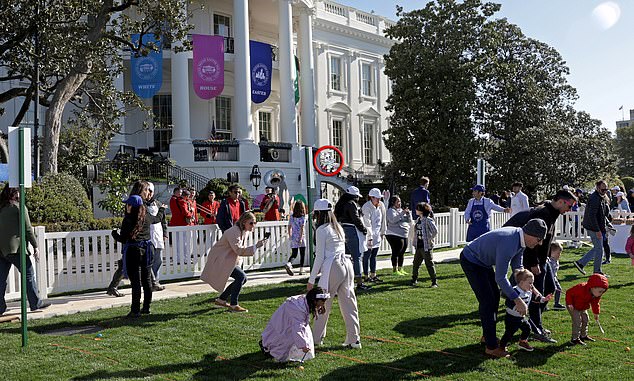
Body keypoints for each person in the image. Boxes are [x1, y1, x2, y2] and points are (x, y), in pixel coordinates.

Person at [460, 218, 547, 358]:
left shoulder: (521, 241)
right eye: (539, 239)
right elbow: (500, 277)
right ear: (530, 234)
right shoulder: (509, 242)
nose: (540, 243)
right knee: (488, 301)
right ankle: (491, 347)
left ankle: (488, 337)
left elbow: (518, 270)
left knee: (494, 297)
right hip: (472, 260)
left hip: (483, 263)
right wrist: (517, 300)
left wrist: (531, 287)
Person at [503, 189, 578, 343]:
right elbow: (531, 240)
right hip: (533, 259)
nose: (569, 210)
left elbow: (544, 241)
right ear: (561, 202)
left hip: (543, 259)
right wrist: (533, 263)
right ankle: (536, 328)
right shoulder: (543, 213)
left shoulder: (552, 213)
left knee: (550, 288)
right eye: (569, 206)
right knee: (537, 294)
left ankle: (526, 315)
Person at [308, 198, 361, 349]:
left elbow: (319, 257)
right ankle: (354, 339)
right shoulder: (337, 227)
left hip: (334, 266)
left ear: (318, 214)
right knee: (349, 303)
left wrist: (311, 280)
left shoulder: (321, 230)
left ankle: (316, 338)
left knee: (322, 302)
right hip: (346, 265)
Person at [200, 212, 267, 313]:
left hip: (228, 259)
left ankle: (221, 300)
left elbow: (239, 250)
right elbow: (239, 250)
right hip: (221, 259)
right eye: (251, 223)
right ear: (244, 222)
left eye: (255, 223)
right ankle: (234, 305)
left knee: (242, 279)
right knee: (242, 277)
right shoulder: (233, 231)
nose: (253, 226)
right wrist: (256, 246)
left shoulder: (244, 230)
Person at [111, 195, 166, 318]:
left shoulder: (128, 219)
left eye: (127, 204)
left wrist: (114, 234)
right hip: (147, 249)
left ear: (131, 206)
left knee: (136, 282)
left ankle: (135, 310)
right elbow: (157, 218)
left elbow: (123, 239)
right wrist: (162, 209)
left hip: (133, 250)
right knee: (147, 280)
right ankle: (146, 307)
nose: (126, 206)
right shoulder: (146, 216)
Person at [0, 185, 51, 316]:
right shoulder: (19, 207)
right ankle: (35, 303)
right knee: (28, 274)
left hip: (1, 249)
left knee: (1, 279)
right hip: (16, 249)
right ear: (15, 193)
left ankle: (0, 307)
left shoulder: (1, 208)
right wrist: (35, 246)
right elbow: (28, 229)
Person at [107, 180, 154, 297]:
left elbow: (129, 231)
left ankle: (137, 307)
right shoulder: (137, 205)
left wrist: (116, 234)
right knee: (135, 272)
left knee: (139, 274)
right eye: (147, 190)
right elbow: (132, 227)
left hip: (136, 245)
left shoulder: (140, 207)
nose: (149, 192)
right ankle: (113, 287)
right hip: (136, 244)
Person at [260, 287, 330, 363]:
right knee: (285, 337)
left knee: (302, 336)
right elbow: (297, 329)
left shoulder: (304, 302)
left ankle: (272, 348)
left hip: (288, 322)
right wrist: (303, 345)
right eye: (322, 302)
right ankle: (269, 349)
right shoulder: (298, 309)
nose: (323, 304)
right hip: (284, 323)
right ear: (314, 300)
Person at [500, 269, 552, 352]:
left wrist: (544, 299)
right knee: (509, 333)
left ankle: (523, 342)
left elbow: (536, 298)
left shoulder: (528, 291)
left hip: (522, 317)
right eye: (530, 283)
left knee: (527, 328)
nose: (532, 285)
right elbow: (508, 303)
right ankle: (502, 346)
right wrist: (517, 308)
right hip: (512, 317)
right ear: (521, 282)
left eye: (532, 283)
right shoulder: (514, 291)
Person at [334, 186, 370, 291]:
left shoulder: (340, 204)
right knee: (357, 256)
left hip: (342, 229)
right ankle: (359, 282)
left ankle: (346, 280)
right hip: (352, 229)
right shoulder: (351, 204)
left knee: (346, 256)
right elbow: (356, 218)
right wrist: (363, 229)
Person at [574, 180, 612, 276]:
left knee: (598, 248)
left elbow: (602, 215)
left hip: (595, 226)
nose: (605, 191)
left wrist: (607, 224)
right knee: (599, 249)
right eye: (603, 189)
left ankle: (581, 263)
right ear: (598, 188)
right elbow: (592, 216)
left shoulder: (600, 197)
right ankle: (596, 271)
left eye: (606, 189)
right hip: (593, 227)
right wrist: (597, 230)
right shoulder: (595, 198)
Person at [566, 273, 609, 345]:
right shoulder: (580, 288)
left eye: (603, 292)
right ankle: (575, 339)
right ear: (593, 287)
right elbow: (569, 293)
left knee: (585, 319)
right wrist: (569, 303)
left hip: (583, 307)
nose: (601, 294)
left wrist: (596, 313)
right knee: (577, 321)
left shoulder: (596, 295)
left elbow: (595, 304)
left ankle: (583, 335)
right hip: (573, 306)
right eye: (600, 291)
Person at [362, 188, 386, 283]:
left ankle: (373, 274)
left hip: (377, 234)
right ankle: (366, 276)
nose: (379, 200)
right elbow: (366, 223)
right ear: (371, 197)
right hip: (369, 235)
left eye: (379, 198)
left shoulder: (381, 206)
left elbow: (383, 219)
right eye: (377, 198)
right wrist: (370, 237)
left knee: (374, 256)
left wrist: (383, 232)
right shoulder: (366, 207)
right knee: (367, 255)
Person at [411, 202, 438, 287]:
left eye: (417, 209)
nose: (416, 210)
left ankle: (434, 282)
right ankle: (414, 280)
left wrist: (429, 239)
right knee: (416, 263)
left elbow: (435, 231)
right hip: (419, 246)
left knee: (429, 264)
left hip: (426, 247)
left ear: (422, 211)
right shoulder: (418, 220)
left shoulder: (428, 220)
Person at [147, 182, 167, 291]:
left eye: (151, 192)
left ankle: (156, 280)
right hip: (147, 236)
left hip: (158, 235)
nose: (150, 194)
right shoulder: (142, 205)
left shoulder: (158, 204)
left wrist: (164, 233)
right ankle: (150, 282)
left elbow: (163, 220)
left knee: (158, 260)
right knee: (148, 261)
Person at [385, 195, 412, 276]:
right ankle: (394, 269)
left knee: (402, 251)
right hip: (393, 234)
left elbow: (408, 220)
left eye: (400, 201)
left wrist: (408, 214)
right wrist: (402, 214)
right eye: (398, 202)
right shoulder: (390, 211)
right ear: (393, 203)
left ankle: (400, 268)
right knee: (396, 251)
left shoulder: (401, 210)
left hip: (404, 234)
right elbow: (393, 220)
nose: (399, 203)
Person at [169, 187, 194, 265]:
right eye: (180, 192)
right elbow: (185, 212)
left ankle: (178, 259)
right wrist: (191, 214)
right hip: (182, 224)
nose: (181, 194)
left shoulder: (172, 200)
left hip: (175, 223)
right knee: (184, 243)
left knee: (177, 243)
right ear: (175, 192)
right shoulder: (180, 200)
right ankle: (185, 259)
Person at [285, 200, 307, 276]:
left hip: (294, 236)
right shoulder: (303, 217)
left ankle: (289, 263)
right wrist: (300, 238)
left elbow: (289, 226)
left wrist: (290, 235)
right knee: (302, 253)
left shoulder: (292, 216)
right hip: (301, 236)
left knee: (294, 253)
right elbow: (302, 228)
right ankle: (301, 269)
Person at [548, 242, 566, 311]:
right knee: (548, 291)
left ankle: (556, 303)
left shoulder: (556, 260)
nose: (559, 255)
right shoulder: (549, 261)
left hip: (554, 278)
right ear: (552, 252)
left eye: (560, 253)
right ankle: (543, 304)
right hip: (549, 278)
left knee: (559, 289)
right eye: (558, 253)